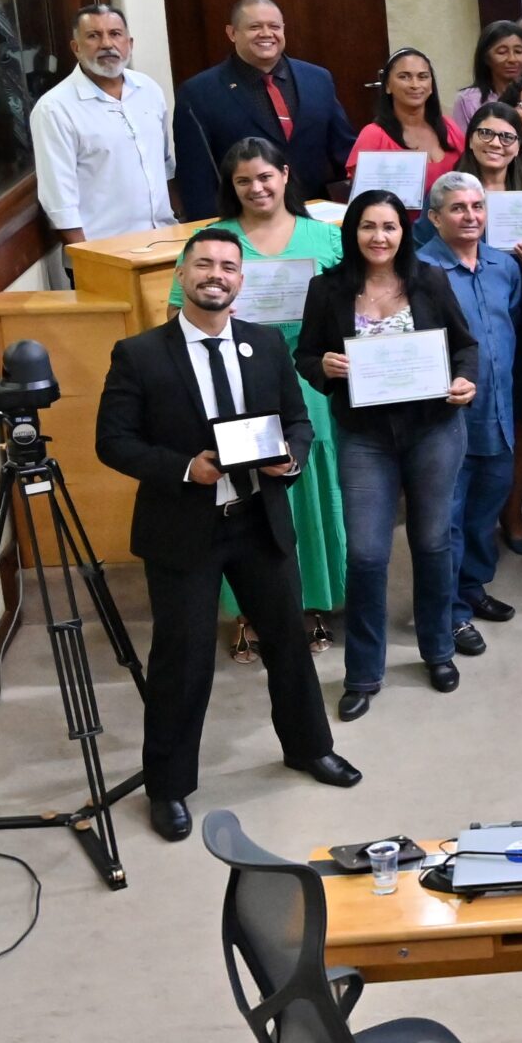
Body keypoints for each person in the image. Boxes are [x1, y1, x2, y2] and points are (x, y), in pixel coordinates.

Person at [96, 227, 358, 842]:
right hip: (184, 530)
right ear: (182, 276)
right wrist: (188, 468)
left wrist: (289, 460)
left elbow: (296, 422)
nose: (217, 274)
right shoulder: (139, 354)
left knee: (289, 644)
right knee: (182, 662)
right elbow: (113, 443)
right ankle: (168, 787)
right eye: (205, 265)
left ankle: (308, 749)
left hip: (257, 520)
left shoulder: (264, 345)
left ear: (241, 280)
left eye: (229, 267)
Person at [297, 190, 480, 718]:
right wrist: (323, 368)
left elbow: (464, 345)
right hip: (364, 436)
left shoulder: (429, 280)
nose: (379, 237)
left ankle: (438, 650)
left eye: (391, 227)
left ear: (405, 232)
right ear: (351, 232)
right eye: (368, 226)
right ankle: (363, 673)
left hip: (433, 430)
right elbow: (305, 353)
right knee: (368, 554)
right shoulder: (326, 289)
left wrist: (465, 379)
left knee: (431, 542)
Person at [165, 139, 345, 664]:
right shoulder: (213, 241)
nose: (257, 188)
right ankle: (248, 611)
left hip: (309, 383)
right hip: (234, 383)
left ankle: (311, 603)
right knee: (243, 496)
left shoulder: (324, 238)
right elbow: (179, 314)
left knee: (305, 489)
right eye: (244, 181)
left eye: (265, 176)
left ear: (286, 175)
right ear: (232, 187)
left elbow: (349, 309)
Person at [416, 173, 522, 658]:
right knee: (449, 522)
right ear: (435, 218)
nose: (470, 216)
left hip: (498, 413)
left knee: (484, 514)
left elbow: (512, 327)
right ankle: (449, 614)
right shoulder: (418, 271)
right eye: (457, 208)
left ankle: (473, 588)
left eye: (477, 207)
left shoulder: (505, 266)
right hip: (446, 421)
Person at [451, 103, 522, 555]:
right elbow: (422, 259)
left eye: (507, 137)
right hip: (465, 326)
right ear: (471, 138)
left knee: (521, 420)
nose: (497, 144)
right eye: (487, 134)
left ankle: (512, 513)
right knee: (465, 419)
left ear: (520, 145)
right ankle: (468, 519)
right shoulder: (451, 192)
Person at [173, 0, 355, 215]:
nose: (267, 34)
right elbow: (195, 178)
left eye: (274, 26)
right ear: (232, 33)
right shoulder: (199, 92)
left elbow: (345, 151)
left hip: (315, 216)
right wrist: (212, 234)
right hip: (244, 222)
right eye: (255, 27)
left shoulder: (317, 79)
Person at [35, 3, 173, 247]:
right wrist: (88, 259)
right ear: (76, 48)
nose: (107, 44)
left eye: (115, 34)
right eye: (93, 36)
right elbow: (59, 199)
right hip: (104, 253)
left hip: (162, 242)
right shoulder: (55, 108)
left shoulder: (148, 89)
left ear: (129, 44)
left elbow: (163, 164)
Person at [347, 48, 464, 196]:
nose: (415, 85)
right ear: (388, 86)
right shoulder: (374, 135)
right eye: (404, 77)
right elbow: (363, 199)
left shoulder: (449, 127)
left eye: (423, 77)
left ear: (431, 86)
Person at [453, 21, 522, 130]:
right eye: (502, 52)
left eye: (518, 52)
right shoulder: (467, 100)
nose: (512, 59)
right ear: (485, 57)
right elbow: (462, 143)